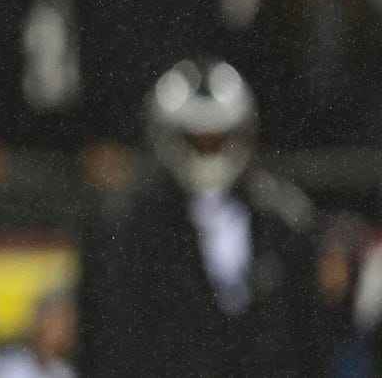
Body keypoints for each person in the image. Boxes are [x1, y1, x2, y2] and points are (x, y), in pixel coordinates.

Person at [75, 56, 327, 377]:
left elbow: (308, 338)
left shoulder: (283, 218)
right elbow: (106, 337)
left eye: (217, 139)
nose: (207, 152)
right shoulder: (124, 225)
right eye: (194, 140)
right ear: (168, 137)